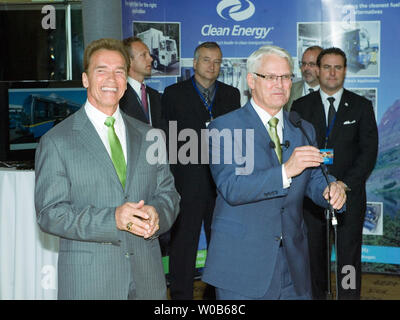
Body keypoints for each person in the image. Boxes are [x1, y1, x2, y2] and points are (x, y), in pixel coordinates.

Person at [34, 38, 180, 300]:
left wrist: (157, 214)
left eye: (119, 71)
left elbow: (169, 195)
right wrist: (112, 219)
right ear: (85, 79)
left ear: (126, 79)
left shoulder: (150, 136)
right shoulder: (57, 141)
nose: (111, 79)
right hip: (90, 283)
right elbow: (50, 214)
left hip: (148, 279)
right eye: (101, 70)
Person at [201, 45, 346, 300]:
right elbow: (232, 188)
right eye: (271, 77)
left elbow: (312, 177)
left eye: (286, 77)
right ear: (251, 81)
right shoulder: (224, 127)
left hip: (293, 263)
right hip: (242, 264)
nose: (280, 84)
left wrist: (330, 188)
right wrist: (286, 171)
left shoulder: (302, 127)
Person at [291, 47, 378, 300]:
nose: (332, 72)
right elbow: (295, 151)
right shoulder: (300, 107)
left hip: (348, 195)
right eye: (326, 67)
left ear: (345, 71)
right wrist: (320, 185)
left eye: (337, 67)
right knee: (314, 258)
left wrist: (343, 184)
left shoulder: (361, 106)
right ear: (317, 70)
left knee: (348, 257)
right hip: (311, 197)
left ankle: (349, 297)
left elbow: (368, 152)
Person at [162, 41, 241, 299]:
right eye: (207, 60)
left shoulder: (231, 95)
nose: (212, 66)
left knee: (221, 246)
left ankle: (216, 296)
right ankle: (181, 297)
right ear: (194, 63)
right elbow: (166, 140)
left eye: (217, 62)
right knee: (183, 246)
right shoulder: (173, 94)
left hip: (222, 184)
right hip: (186, 183)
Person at [120, 36, 165, 130]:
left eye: (149, 54)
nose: (151, 59)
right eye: (144, 55)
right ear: (129, 61)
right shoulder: (119, 95)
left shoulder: (155, 95)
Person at [284, 46, 323, 111]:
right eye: (303, 64)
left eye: (311, 64)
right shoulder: (289, 90)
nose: (306, 68)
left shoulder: (331, 92)